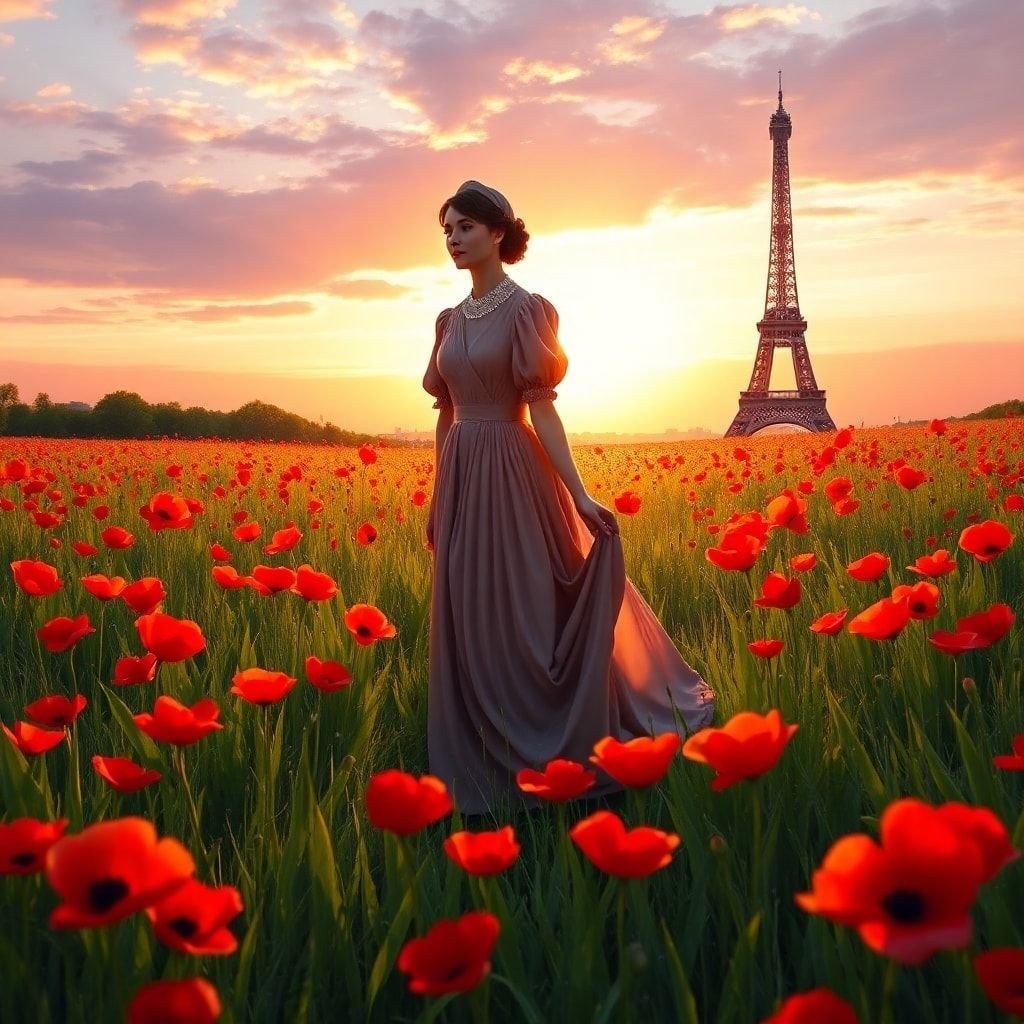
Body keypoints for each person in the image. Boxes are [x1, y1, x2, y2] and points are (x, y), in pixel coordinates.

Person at [423, 179, 716, 817]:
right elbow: (445, 414)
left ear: (498, 232)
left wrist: (579, 492)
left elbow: (543, 411)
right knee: (468, 608)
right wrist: (437, 492)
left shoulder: (528, 310)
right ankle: (482, 740)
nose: (453, 239)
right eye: (447, 229)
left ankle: (544, 737)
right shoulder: (447, 320)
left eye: (465, 227)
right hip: (463, 477)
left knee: (525, 608)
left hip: (514, 470)